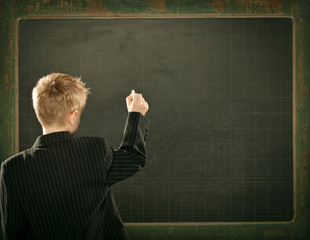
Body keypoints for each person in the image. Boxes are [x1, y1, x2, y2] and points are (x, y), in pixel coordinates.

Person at [0, 73, 149, 240]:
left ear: (38, 112)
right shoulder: (95, 150)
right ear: (73, 115)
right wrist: (136, 115)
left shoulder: (12, 168)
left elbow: (13, 232)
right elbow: (133, 157)